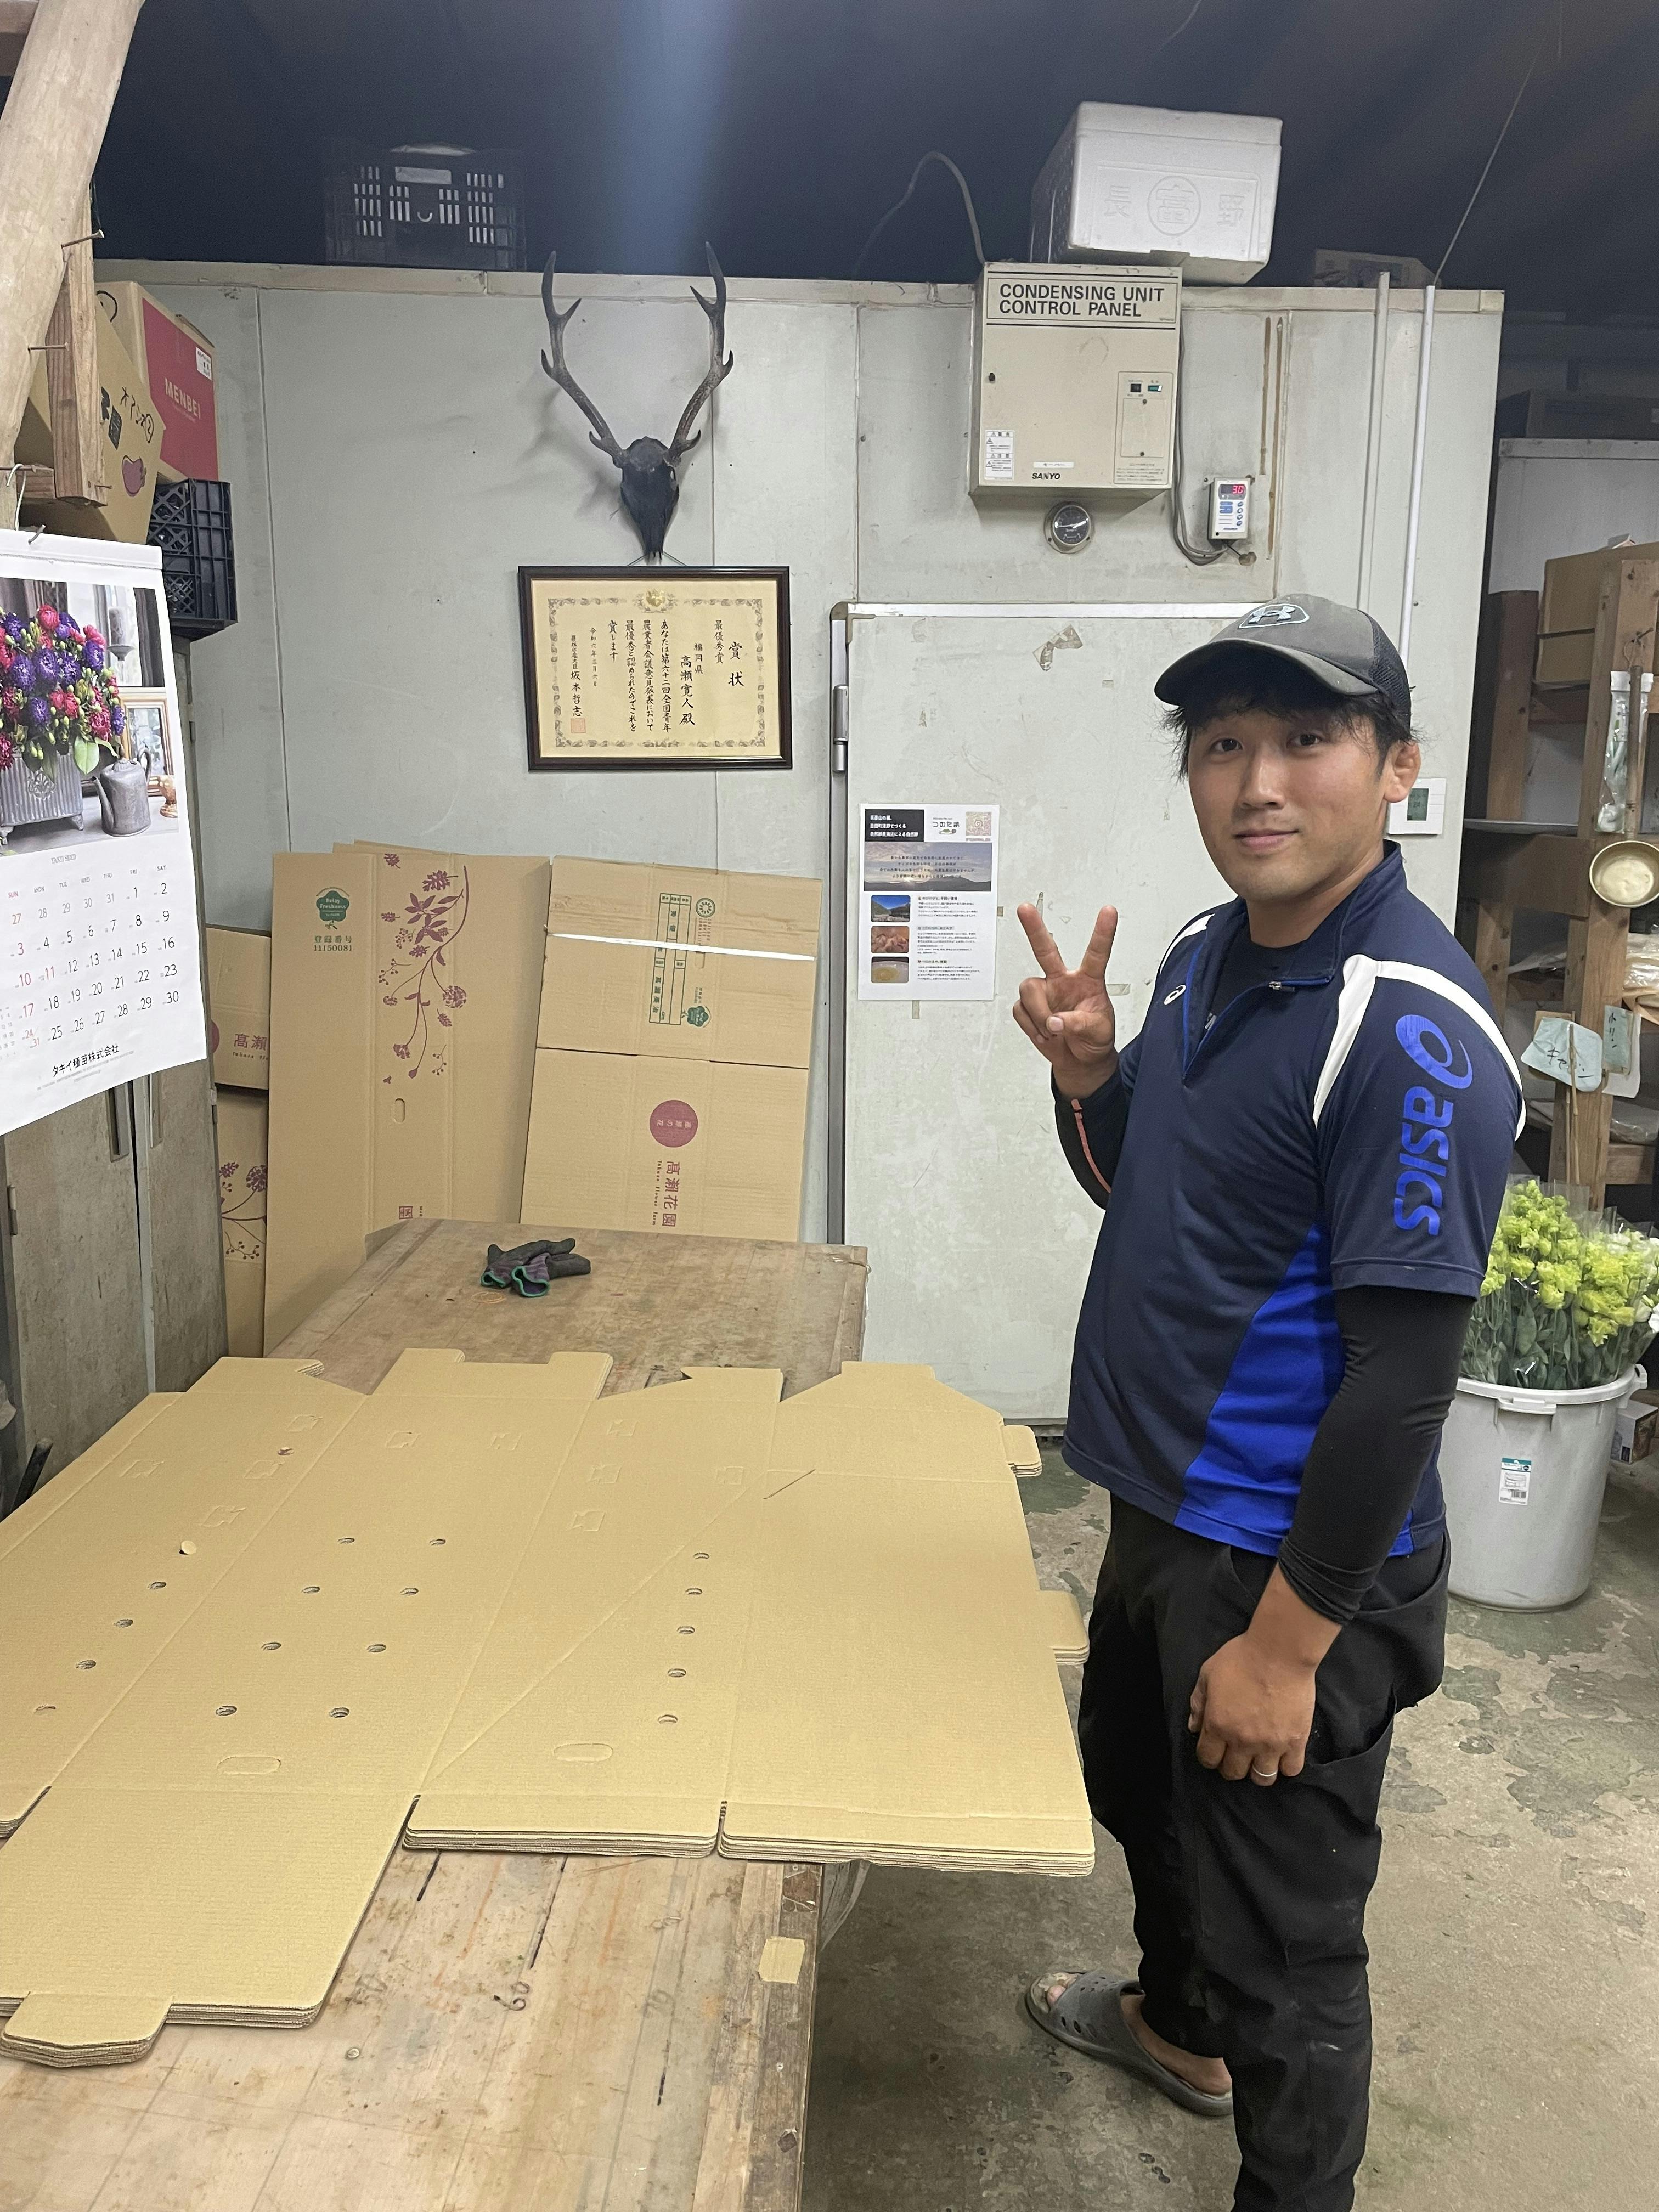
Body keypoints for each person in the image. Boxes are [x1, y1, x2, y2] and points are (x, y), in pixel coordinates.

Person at [1012, 597, 1522, 2212]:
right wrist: (1091, 1079)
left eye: (1307, 739)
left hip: (1286, 1553)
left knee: (1289, 1954)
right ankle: (1180, 2031)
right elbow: (1147, 1191)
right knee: (1140, 1790)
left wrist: (1292, 1648)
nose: (1258, 782)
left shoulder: (1410, 1030)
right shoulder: (1202, 956)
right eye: (1222, 744)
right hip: (1165, 1507)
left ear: (1398, 767)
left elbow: (1402, 1383)